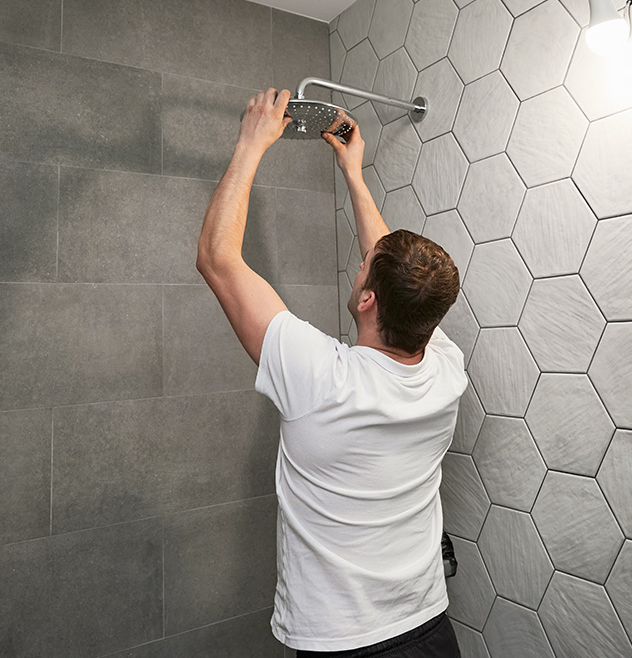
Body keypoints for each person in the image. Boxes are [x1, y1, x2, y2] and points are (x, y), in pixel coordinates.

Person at [196, 88, 467, 656]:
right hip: (429, 627)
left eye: (364, 268)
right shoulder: (446, 369)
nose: (361, 262)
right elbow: (394, 270)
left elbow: (218, 260)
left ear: (368, 299)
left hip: (344, 644)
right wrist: (354, 172)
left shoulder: (321, 377)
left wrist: (251, 144)